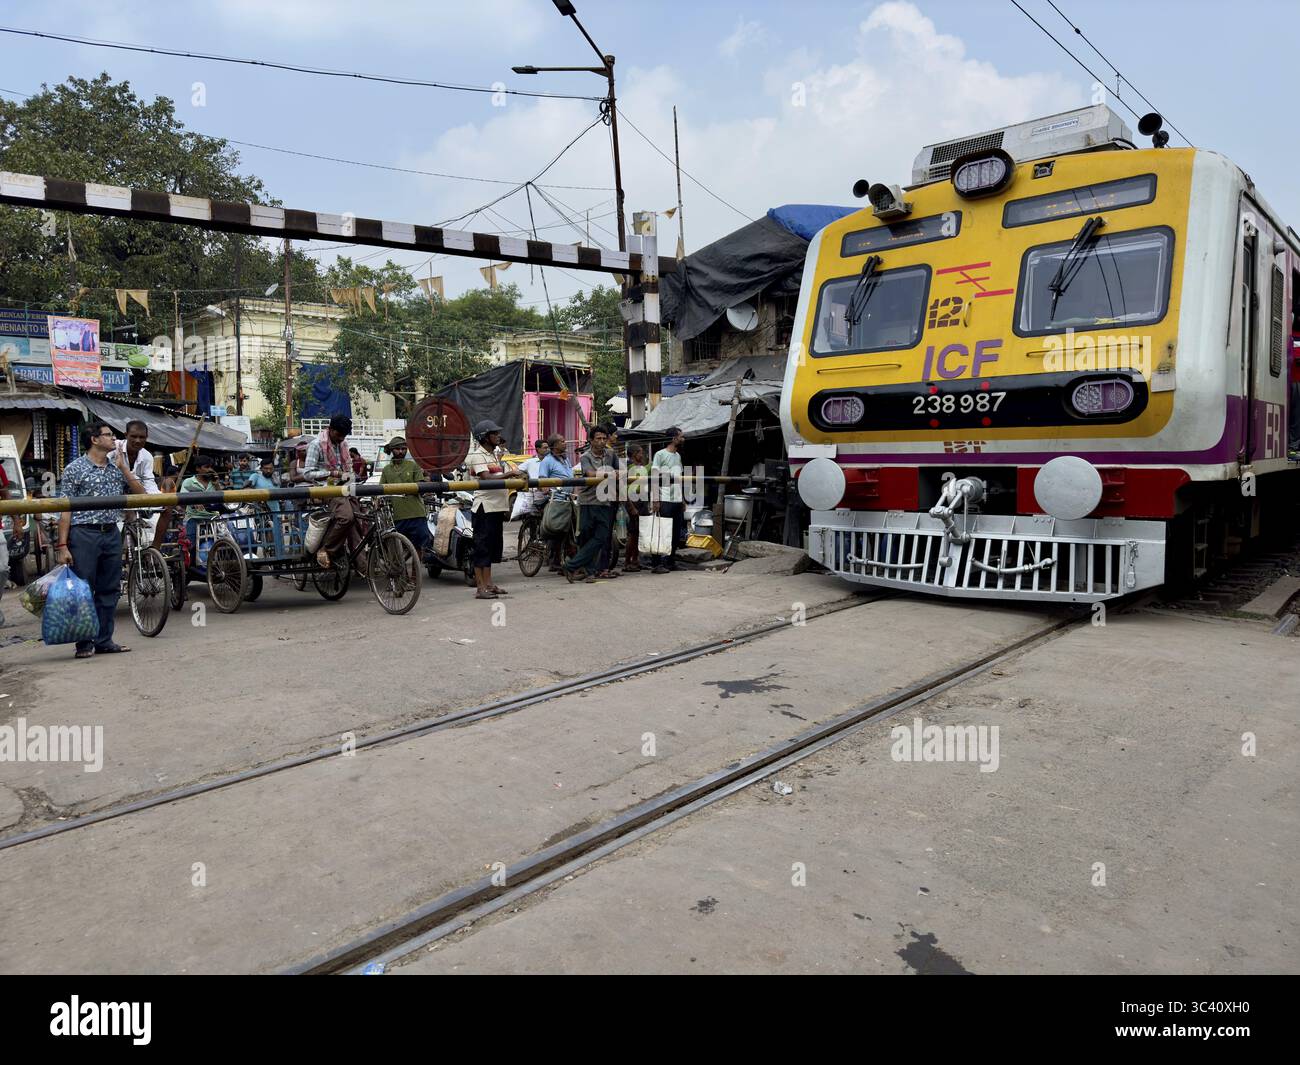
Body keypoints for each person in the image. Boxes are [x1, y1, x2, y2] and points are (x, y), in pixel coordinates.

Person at [55, 421, 147, 658]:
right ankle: (84, 643)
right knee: (84, 589)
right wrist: (62, 545)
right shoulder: (74, 469)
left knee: (110, 589)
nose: (114, 438)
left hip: (111, 533)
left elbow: (141, 495)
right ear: (94, 439)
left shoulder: (117, 468)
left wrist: (124, 468)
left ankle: (104, 640)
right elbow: (65, 509)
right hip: (83, 534)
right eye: (108, 435)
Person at [301, 415, 367, 571]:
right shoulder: (316, 445)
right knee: (346, 517)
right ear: (330, 430)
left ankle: (362, 566)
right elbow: (307, 474)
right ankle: (326, 549)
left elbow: (347, 468)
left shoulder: (343, 444)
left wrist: (349, 476)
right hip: (326, 489)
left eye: (343, 436)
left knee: (358, 520)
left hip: (345, 487)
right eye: (339, 435)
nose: (341, 439)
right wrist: (331, 473)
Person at [464, 420, 519, 599]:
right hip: (484, 507)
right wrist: (510, 474)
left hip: (496, 507)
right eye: (494, 434)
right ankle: (480, 588)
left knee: (492, 547)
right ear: (485, 437)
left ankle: (489, 584)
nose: (498, 436)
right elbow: (486, 478)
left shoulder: (494, 455)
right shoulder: (478, 456)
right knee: (482, 547)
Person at [562, 425, 618, 584]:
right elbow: (590, 474)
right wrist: (610, 474)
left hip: (605, 501)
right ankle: (589, 571)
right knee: (586, 537)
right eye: (598, 439)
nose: (601, 442)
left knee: (601, 537)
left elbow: (619, 471)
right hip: (588, 500)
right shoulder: (585, 456)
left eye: (604, 438)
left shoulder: (611, 454)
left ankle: (571, 565)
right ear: (591, 441)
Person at [379, 437, 432, 556]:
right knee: (398, 547)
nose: (401, 451)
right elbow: (381, 490)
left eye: (403, 449)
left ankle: (415, 574)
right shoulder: (386, 470)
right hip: (398, 515)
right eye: (398, 449)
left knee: (417, 547)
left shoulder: (413, 466)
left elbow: (421, 487)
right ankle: (403, 573)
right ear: (392, 450)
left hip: (416, 513)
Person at [650, 426, 686, 573]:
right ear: (673, 438)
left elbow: (680, 479)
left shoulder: (678, 456)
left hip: (677, 500)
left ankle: (670, 561)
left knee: (676, 533)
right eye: (681, 436)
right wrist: (656, 499)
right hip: (664, 499)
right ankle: (656, 564)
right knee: (661, 531)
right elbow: (654, 477)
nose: (683, 439)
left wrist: (682, 499)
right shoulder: (660, 455)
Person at [120, 419, 161, 542]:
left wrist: (159, 499)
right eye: (133, 436)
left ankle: (152, 549)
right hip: (114, 500)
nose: (137, 440)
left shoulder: (147, 456)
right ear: (125, 435)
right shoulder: (113, 451)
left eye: (141, 437)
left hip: (136, 497)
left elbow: (149, 482)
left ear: (147, 437)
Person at [536, 433, 572, 571]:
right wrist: (546, 489)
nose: (565, 443)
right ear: (555, 445)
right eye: (562, 441)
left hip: (567, 498)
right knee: (556, 529)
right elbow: (542, 480)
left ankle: (563, 556)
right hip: (555, 499)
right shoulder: (547, 461)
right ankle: (553, 559)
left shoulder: (565, 459)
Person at [179, 455, 223, 553]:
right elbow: (183, 499)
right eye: (206, 467)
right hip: (194, 517)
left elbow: (222, 499)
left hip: (214, 517)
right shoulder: (189, 482)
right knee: (191, 546)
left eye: (211, 467)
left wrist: (216, 484)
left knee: (226, 540)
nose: (210, 470)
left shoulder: (214, 482)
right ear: (198, 468)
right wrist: (194, 502)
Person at [623, 443, 649, 572]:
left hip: (642, 500)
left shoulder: (641, 467)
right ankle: (627, 562)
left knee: (639, 533)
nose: (642, 455)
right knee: (632, 534)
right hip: (633, 501)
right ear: (634, 454)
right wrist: (631, 507)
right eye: (640, 452)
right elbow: (625, 489)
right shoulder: (629, 468)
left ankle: (635, 560)